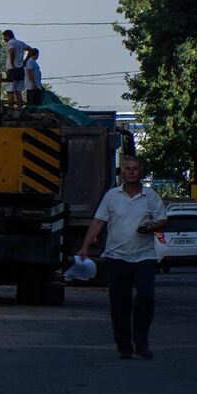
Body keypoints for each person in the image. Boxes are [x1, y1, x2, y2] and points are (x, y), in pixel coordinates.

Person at [75, 153, 168, 359]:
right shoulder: (112, 196)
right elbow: (99, 222)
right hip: (117, 256)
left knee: (145, 298)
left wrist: (151, 227)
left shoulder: (150, 196)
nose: (131, 172)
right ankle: (124, 345)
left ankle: (142, 342)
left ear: (141, 172)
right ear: (122, 172)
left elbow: (162, 220)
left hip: (145, 256)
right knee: (120, 304)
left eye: (135, 168)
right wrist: (85, 247)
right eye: (127, 168)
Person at [0, 29, 32, 110]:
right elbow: (31, 50)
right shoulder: (20, 43)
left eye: (4, 37)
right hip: (20, 69)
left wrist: (12, 63)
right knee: (18, 90)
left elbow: (12, 51)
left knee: (10, 89)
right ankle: (20, 108)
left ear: (7, 36)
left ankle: (10, 107)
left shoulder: (10, 43)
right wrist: (25, 61)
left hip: (12, 69)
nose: (4, 39)